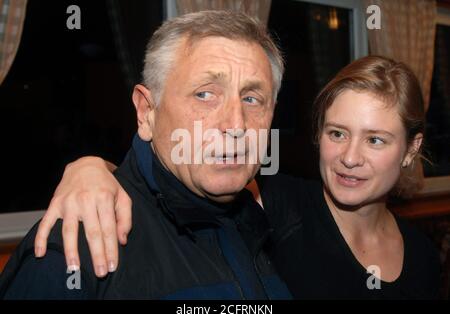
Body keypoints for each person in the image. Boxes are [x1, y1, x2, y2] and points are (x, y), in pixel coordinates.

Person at [22, 56, 441, 299]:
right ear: (319, 135)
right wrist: (92, 168)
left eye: (376, 140)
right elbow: (170, 179)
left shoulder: (422, 254)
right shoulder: (271, 204)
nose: (350, 157)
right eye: (337, 133)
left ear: (411, 149)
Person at [0, 10, 293, 299]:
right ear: (146, 112)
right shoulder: (76, 249)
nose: (236, 125)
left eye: (252, 99)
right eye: (205, 94)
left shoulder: (268, 228)